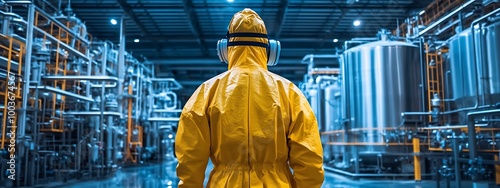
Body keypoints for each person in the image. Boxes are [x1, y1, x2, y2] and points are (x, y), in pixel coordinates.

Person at [175, 8, 324, 188]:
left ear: (225, 49)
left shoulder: (206, 92)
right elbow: (309, 158)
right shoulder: (290, 92)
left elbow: (190, 157)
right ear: (270, 50)